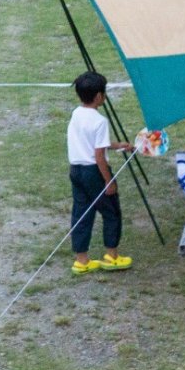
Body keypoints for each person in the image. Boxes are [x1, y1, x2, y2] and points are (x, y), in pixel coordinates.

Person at [68, 71, 131, 274]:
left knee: (81, 213)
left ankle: (82, 260)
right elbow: (98, 156)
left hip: (76, 170)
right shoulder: (99, 120)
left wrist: (116, 145)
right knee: (111, 211)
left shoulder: (77, 113)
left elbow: (92, 143)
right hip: (94, 172)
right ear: (98, 96)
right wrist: (108, 181)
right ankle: (111, 256)